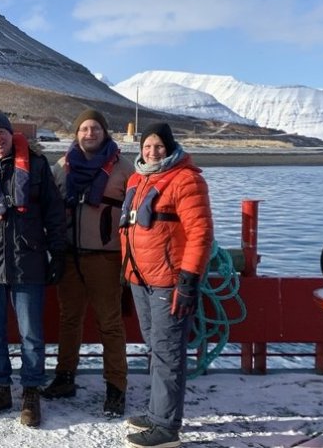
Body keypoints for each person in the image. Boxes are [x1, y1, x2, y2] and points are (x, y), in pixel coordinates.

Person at [0, 111, 66, 428]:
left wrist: (57, 253)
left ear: (10, 134)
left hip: (28, 261)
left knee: (31, 334)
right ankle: (0, 388)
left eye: (1, 133)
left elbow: (54, 214)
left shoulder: (37, 165)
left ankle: (31, 390)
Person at [120, 123, 213, 448]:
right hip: (140, 280)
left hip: (169, 283)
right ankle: (158, 411)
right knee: (157, 348)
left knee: (168, 353)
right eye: (147, 146)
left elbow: (200, 232)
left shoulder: (186, 180)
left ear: (170, 147)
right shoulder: (137, 179)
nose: (152, 151)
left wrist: (188, 280)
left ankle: (166, 428)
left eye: (159, 146)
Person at [43, 109, 133, 416]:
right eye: (83, 128)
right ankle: (65, 376)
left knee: (110, 323)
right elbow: (48, 206)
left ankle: (116, 387)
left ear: (105, 132)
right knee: (69, 320)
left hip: (106, 258)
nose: (89, 133)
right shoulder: (62, 165)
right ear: (76, 133)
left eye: (95, 128)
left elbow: (136, 218)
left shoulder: (123, 168)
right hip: (69, 256)